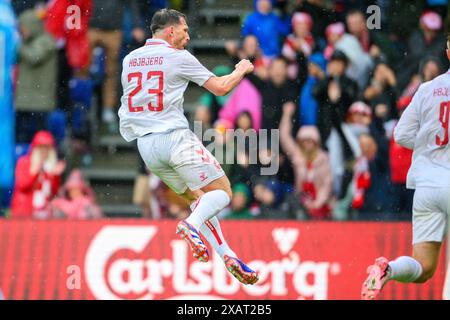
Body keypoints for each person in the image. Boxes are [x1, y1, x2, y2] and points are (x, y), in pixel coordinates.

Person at [118, 9, 258, 285]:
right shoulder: (177, 57)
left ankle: (227, 254)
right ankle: (190, 225)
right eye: (184, 31)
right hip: (174, 138)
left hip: (147, 149)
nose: (188, 36)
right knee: (222, 192)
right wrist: (241, 69)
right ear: (170, 31)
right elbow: (219, 88)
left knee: (200, 200)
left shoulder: (130, 60)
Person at [361, 34, 450, 300]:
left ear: (448, 53)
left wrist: (428, 146)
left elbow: (400, 135)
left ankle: (389, 269)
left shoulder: (427, 89)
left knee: (424, 268)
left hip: (427, 186)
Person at [11, 131, 65, 219]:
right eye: (41, 148)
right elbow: (22, 185)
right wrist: (34, 172)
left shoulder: (49, 167)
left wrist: (55, 176)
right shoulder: (24, 163)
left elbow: (53, 193)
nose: (44, 152)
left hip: (44, 213)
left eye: (47, 148)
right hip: (25, 212)